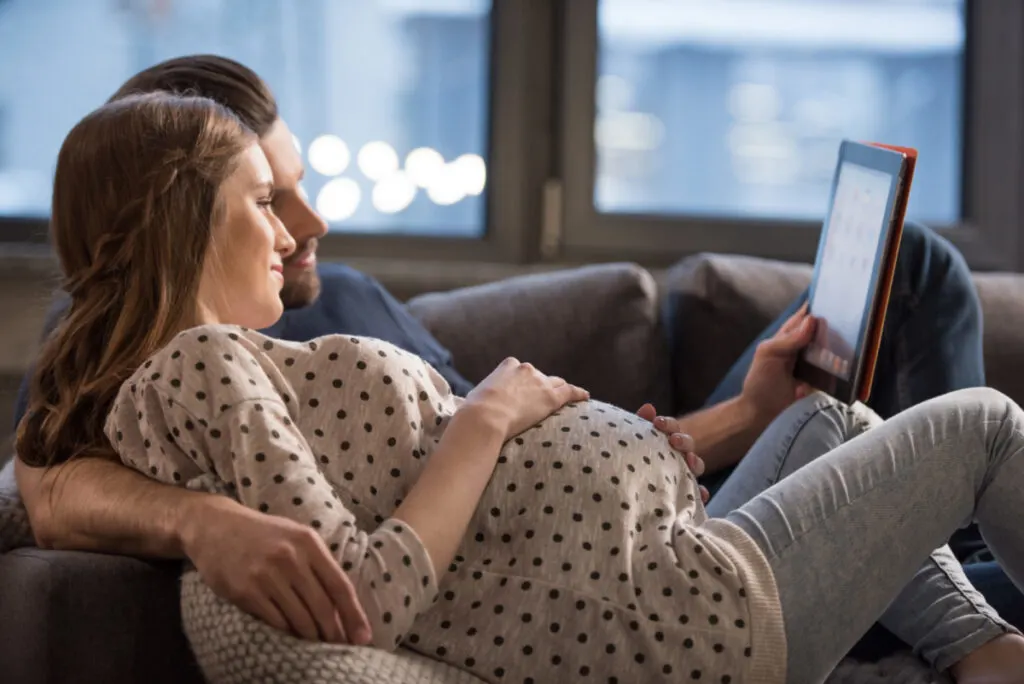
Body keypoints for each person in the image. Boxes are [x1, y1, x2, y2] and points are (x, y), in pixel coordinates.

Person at [17, 90, 1024, 684]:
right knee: (984, 425)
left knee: (831, 413)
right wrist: (489, 417)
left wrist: (694, 426)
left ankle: (984, 653)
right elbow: (366, 596)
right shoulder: (201, 366)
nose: (295, 227)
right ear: (180, 217)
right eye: (260, 199)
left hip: (667, 544)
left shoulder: (228, 362)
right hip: (681, 609)